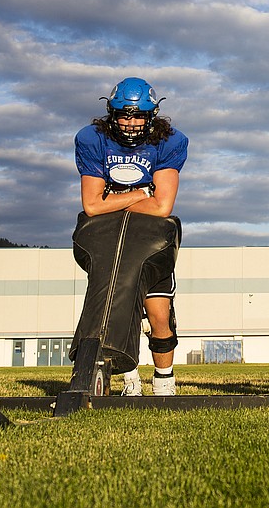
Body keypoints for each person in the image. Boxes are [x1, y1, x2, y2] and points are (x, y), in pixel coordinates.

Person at [74, 77, 187, 396]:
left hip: (148, 237)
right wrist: (142, 193)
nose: (131, 122)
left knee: (158, 316)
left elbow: (163, 206)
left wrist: (118, 200)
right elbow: (93, 205)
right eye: (124, 115)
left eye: (138, 116)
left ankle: (164, 379)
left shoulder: (170, 141)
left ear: (152, 116)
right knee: (120, 309)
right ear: (112, 113)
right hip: (108, 237)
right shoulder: (92, 138)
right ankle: (131, 379)